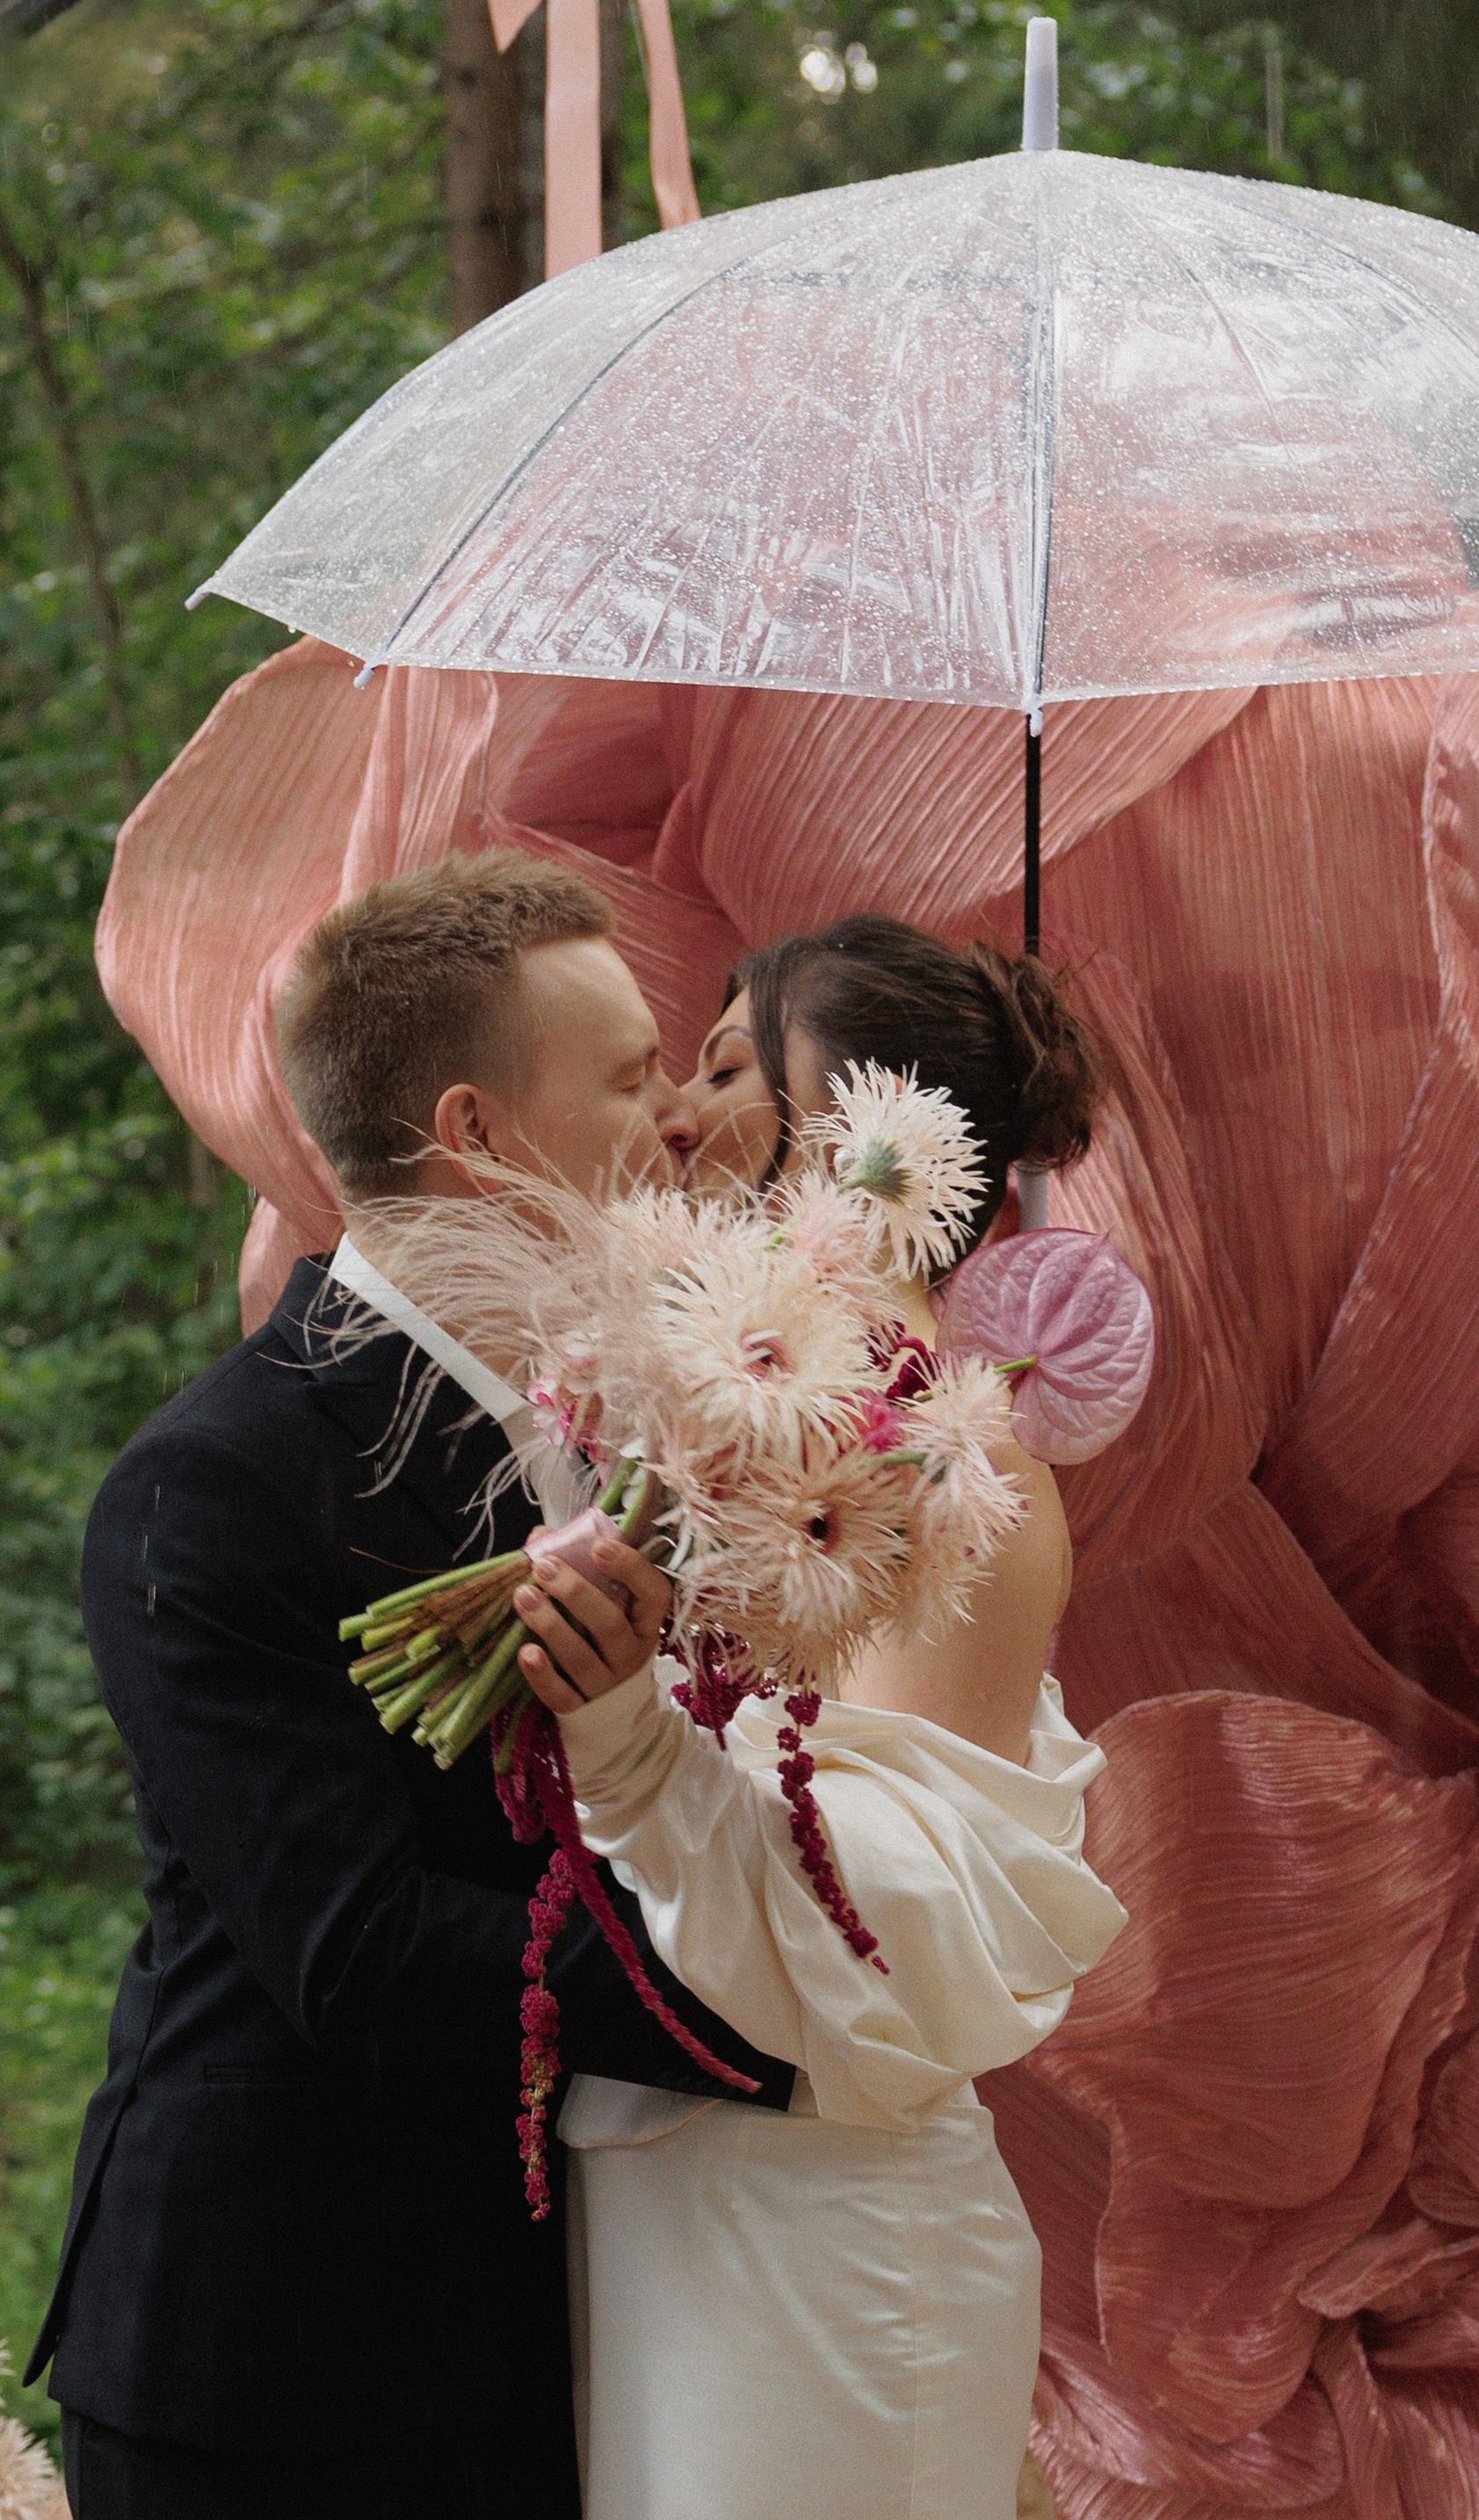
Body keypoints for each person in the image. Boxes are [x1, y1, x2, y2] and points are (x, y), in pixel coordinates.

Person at [31, 851, 794, 2520]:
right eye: (623, 1074)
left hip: (547, 2316)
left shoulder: (615, 1429)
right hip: (281, 2358)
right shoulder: (213, 1483)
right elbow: (357, 1952)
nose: (674, 1115)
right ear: (476, 1133)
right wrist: (790, 1995)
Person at [532, 913, 1127, 2520]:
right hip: (670, 2205)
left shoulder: (960, 1474)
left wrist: (627, 1734)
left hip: (819, 2238)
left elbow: (876, 1921)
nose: (672, 1112)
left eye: (725, 1067)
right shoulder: (717, 1443)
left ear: (859, 1127)